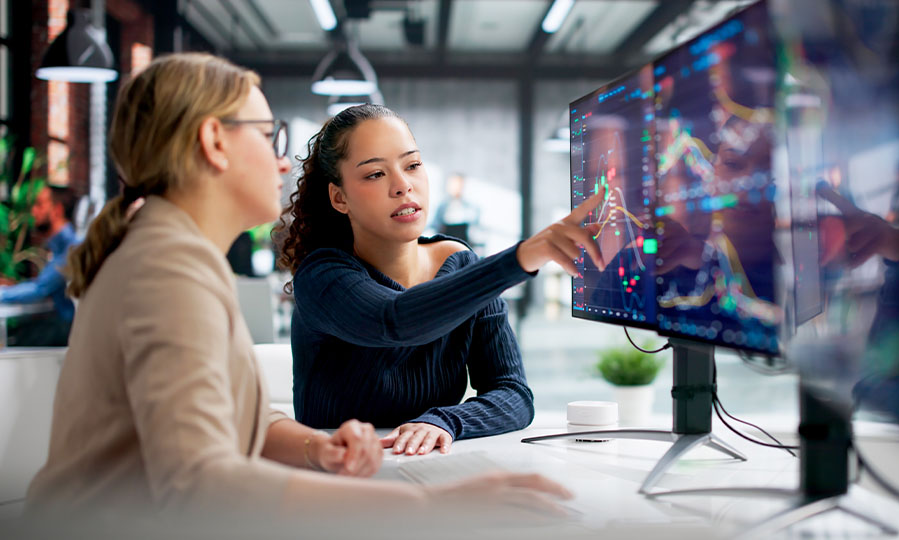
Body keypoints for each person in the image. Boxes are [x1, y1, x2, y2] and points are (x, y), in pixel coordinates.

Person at [25, 53, 573, 523]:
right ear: (214, 141)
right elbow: (199, 479)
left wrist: (317, 446)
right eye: (268, 136)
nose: (282, 160)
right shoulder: (165, 270)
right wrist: (432, 509)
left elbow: (228, 422)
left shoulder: (181, 256)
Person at [277, 104, 606, 457]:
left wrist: (444, 421)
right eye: (375, 174)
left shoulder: (462, 265)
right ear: (339, 198)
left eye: (413, 165)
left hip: (433, 474)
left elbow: (513, 394)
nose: (403, 186)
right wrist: (521, 257)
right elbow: (395, 320)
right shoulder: (322, 277)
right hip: (334, 487)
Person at [0, 184, 81, 346]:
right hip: (61, 326)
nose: (33, 212)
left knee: (13, 341)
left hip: (67, 330)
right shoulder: (60, 247)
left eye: (40, 205)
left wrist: (3, 293)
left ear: (57, 210)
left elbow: (41, 289)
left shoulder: (71, 248)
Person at [430, 172, 479, 245]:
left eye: (460, 184)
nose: (457, 187)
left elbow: (474, 230)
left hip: (463, 243)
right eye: (454, 184)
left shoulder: (470, 208)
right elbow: (434, 225)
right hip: (444, 242)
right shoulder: (442, 206)